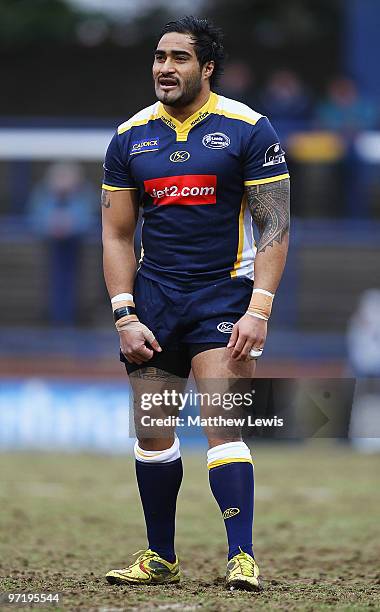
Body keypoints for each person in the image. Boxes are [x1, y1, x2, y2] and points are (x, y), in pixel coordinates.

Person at [101, 16, 290, 591]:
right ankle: (161, 557)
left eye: (179, 58)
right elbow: (115, 235)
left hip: (224, 295)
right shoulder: (129, 136)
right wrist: (124, 313)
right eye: (160, 57)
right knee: (153, 432)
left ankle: (242, 558)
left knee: (224, 427)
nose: (165, 67)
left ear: (206, 67)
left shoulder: (249, 129)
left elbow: (275, 227)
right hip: (155, 300)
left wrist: (259, 309)